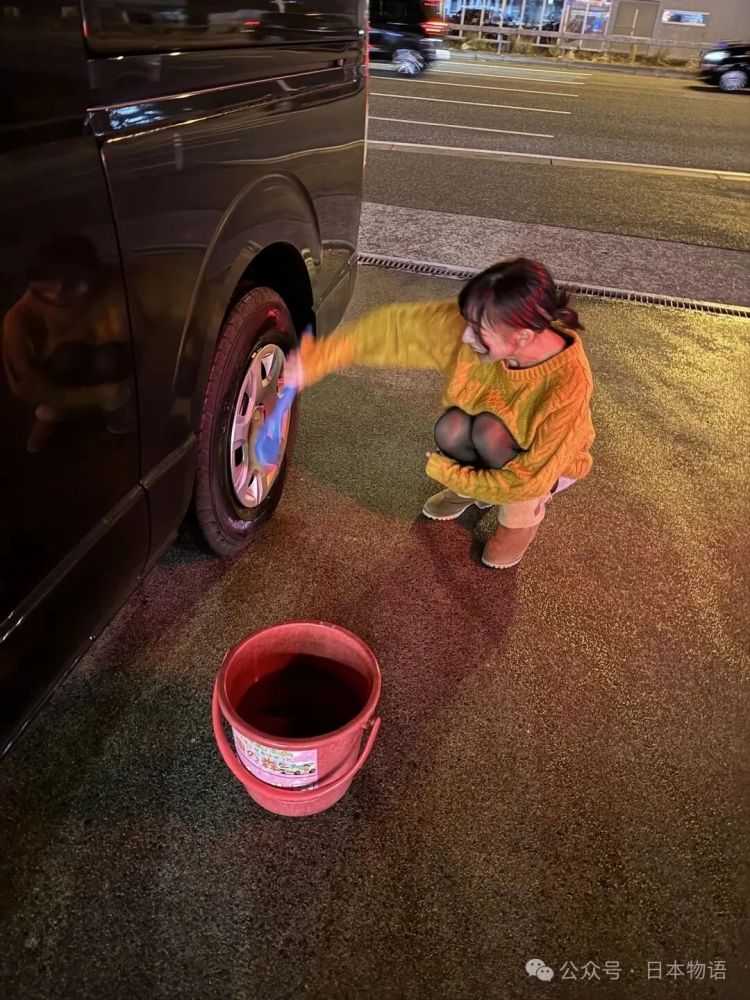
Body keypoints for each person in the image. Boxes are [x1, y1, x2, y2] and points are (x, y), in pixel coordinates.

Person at [284, 257, 595, 569]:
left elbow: (529, 478)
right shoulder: (492, 319)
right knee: (453, 428)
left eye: (478, 331)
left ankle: (520, 521)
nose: (465, 337)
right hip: (489, 436)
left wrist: (448, 472)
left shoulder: (568, 383)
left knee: (494, 442)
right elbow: (399, 329)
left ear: (523, 336)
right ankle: (476, 488)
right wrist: (318, 358)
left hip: (542, 469)